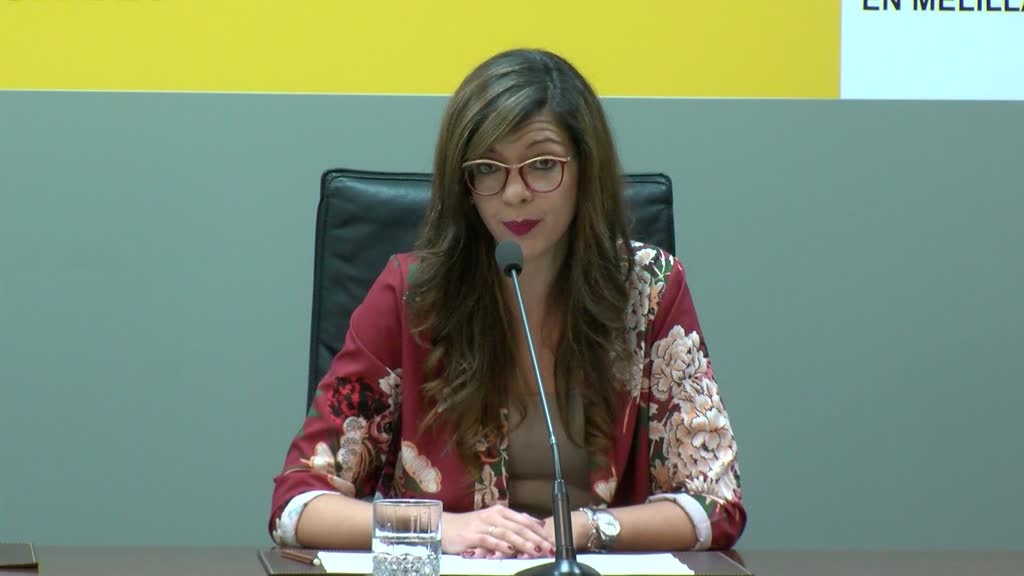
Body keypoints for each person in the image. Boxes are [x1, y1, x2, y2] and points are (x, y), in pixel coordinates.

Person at [269, 48, 745, 559]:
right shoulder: (413, 294)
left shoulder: (648, 289)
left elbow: (713, 504)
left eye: (542, 165)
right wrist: (442, 528)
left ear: (586, 170)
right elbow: (298, 506)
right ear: (466, 184)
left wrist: (585, 529)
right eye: (488, 169)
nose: (515, 193)